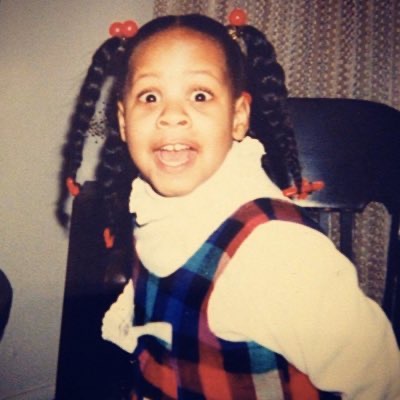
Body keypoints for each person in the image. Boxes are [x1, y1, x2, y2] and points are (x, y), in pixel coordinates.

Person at [58, 11, 400, 400]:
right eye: (150, 97)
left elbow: (380, 382)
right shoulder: (154, 209)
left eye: (199, 95)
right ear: (123, 121)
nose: (171, 115)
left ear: (238, 117)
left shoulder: (278, 251)